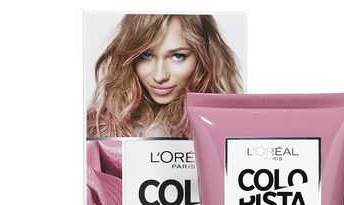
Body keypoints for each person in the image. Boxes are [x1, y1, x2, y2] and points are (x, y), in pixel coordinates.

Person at [87, 14, 242, 138]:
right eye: (146, 55)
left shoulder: (227, 126)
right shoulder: (97, 128)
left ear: (204, 58)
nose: (159, 76)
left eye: (178, 56)